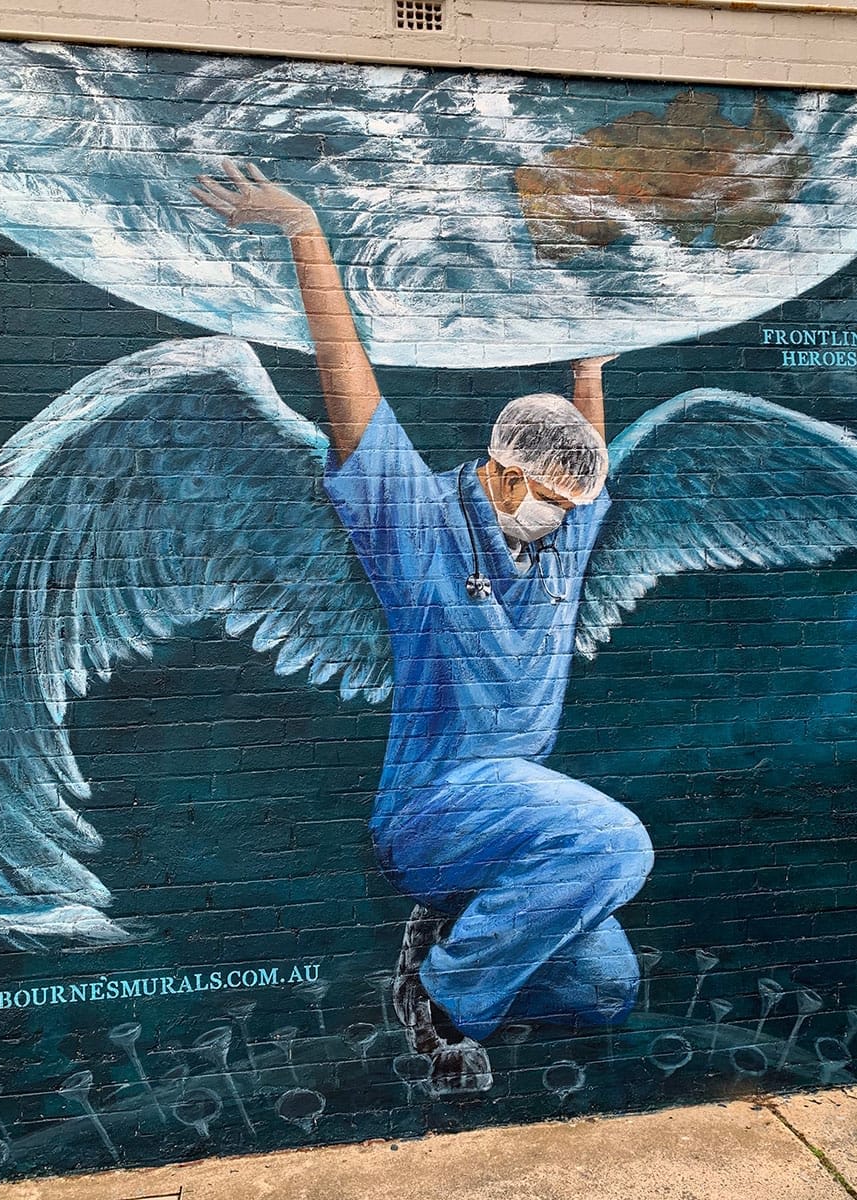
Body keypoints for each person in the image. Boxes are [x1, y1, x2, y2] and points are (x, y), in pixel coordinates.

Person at [191, 161, 655, 1092]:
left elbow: (584, 458)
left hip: (518, 814)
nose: (564, 520)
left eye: (575, 504)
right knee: (618, 845)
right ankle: (441, 997)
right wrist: (303, 234)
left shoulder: (558, 533)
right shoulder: (419, 525)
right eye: (552, 500)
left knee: (607, 987)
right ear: (503, 475)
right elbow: (351, 393)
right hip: (437, 807)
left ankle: (460, 930)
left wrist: (589, 369)